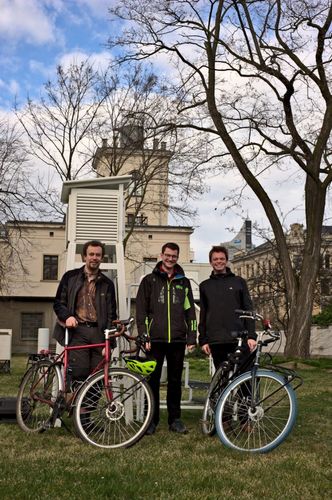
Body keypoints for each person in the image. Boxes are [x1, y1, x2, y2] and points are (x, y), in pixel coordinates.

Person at [136, 242, 197, 435]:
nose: (171, 259)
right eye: (168, 255)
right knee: (152, 381)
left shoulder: (183, 282)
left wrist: (192, 336)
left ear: (177, 257)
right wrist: (144, 333)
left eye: (174, 256)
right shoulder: (149, 281)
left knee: (174, 381)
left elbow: (190, 312)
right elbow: (141, 311)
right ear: (161, 255)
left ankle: (175, 420)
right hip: (154, 340)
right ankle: (151, 420)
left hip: (178, 340)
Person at [53, 240, 117, 384]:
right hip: (77, 332)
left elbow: (112, 315)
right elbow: (58, 303)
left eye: (98, 255)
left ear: (102, 258)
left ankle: (90, 408)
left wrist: (110, 344)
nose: (94, 257)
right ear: (84, 257)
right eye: (91, 254)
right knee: (78, 374)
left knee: (98, 377)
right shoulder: (70, 277)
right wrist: (67, 316)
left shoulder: (108, 284)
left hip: (99, 334)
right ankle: (76, 406)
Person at [199, 245, 256, 370]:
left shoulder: (239, 282)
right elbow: (203, 314)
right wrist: (203, 340)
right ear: (210, 262)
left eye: (221, 258)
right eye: (215, 259)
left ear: (226, 260)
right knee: (222, 382)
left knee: (245, 380)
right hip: (216, 340)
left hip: (239, 339)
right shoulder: (205, 286)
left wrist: (251, 336)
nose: (219, 261)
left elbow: (248, 310)